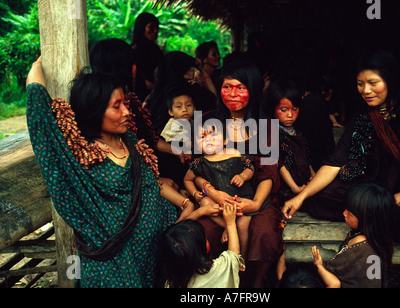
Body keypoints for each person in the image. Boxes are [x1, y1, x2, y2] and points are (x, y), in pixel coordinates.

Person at [26, 57, 195, 287]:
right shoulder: (81, 158)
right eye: (117, 106)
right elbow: (43, 126)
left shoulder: (128, 140)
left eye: (125, 103)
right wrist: (39, 66)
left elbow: (150, 182)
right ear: (94, 110)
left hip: (151, 258)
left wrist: (186, 203)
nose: (126, 111)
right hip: (114, 269)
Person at [282, 50, 400, 243]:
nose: (365, 90)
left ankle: (368, 216)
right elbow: (335, 162)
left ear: (391, 81)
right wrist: (301, 197)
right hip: (377, 181)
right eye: (360, 84)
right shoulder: (365, 113)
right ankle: (370, 214)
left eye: (373, 83)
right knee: (320, 196)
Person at [195, 59, 284, 288]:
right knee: (206, 229)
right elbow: (195, 168)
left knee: (263, 231)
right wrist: (212, 194)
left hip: (256, 197)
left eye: (240, 88)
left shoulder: (266, 126)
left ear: (253, 90)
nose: (233, 94)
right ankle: (215, 281)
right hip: (217, 196)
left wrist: (254, 204)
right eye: (227, 87)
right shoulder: (207, 120)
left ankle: (252, 284)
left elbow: (268, 172)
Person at [184, 118, 256, 259]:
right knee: (205, 203)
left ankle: (242, 258)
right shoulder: (199, 163)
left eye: (213, 135)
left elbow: (250, 168)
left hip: (239, 200)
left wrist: (242, 176)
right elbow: (187, 179)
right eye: (202, 137)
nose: (208, 140)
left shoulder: (234, 153)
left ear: (224, 140)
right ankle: (227, 226)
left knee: (243, 225)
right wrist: (193, 192)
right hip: (218, 204)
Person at [312, 183, 396, 288]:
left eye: (350, 214)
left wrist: (319, 266)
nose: (344, 213)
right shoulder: (379, 240)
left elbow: (333, 275)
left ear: (366, 220)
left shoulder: (359, 244)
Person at [159, 204, 244, 288]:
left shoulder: (172, 283)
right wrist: (230, 223)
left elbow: (181, 230)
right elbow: (233, 255)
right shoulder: (219, 270)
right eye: (205, 238)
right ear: (206, 248)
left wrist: (200, 211)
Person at [264, 79, 315, 201]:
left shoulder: (297, 130)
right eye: (283, 110)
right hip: (287, 189)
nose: (290, 115)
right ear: (273, 108)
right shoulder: (273, 131)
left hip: (304, 185)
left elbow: (306, 159)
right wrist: (295, 188)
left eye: (294, 109)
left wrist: (313, 176)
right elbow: (280, 165)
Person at [131, 12, 164, 100]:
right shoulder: (134, 50)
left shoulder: (156, 50)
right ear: (142, 29)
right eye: (151, 27)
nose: (156, 31)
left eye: (157, 27)